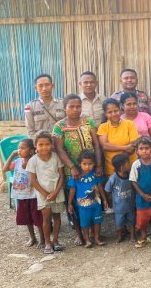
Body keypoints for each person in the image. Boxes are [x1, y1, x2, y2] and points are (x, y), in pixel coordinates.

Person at [53, 94, 103, 245]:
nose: (75, 110)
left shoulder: (88, 121)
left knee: (93, 199)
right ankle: (79, 233)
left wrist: (99, 165)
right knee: (74, 203)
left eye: (78, 106)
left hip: (91, 169)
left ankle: (95, 233)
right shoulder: (59, 126)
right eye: (71, 107)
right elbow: (59, 149)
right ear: (65, 108)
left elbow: (96, 145)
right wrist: (73, 167)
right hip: (72, 172)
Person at [26, 131, 65, 254]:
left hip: (57, 192)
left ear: (52, 145)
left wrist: (56, 192)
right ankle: (48, 242)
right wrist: (45, 194)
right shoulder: (33, 161)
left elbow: (62, 176)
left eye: (47, 144)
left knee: (57, 217)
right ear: (35, 146)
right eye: (41, 145)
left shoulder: (56, 157)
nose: (44, 147)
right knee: (46, 218)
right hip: (43, 195)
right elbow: (33, 180)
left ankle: (56, 241)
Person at [3, 137, 44, 247]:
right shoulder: (16, 162)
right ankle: (32, 237)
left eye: (22, 148)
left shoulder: (35, 161)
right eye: (18, 148)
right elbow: (5, 169)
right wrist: (12, 155)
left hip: (33, 195)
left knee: (38, 218)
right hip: (21, 196)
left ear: (31, 151)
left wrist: (29, 165)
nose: (19, 150)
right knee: (27, 219)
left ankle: (42, 239)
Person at [67, 150, 109, 248]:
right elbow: (72, 190)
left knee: (97, 221)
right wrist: (69, 203)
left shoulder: (96, 174)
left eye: (90, 164)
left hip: (96, 204)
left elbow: (100, 187)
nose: (87, 166)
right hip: (83, 206)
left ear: (94, 163)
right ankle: (87, 240)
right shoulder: (76, 176)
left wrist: (105, 199)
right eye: (84, 164)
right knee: (85, 223)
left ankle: (97, 238)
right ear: (79, 164)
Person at [97, 98, 139, 176]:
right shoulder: (103, 127)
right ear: (105, 114)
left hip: (131, 167)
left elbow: (133, 145)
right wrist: (125, 148)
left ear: (120, 110)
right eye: (110, 112)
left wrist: (122, 160)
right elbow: (105, 146)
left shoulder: (129, 124)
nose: (113, 114)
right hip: (112, 169)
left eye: (116, 111)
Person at [104, 153, 136, 243]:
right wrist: (110, 201)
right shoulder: (113, 178)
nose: (129, 164)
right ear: (121, 167)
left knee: (132, 221)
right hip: (119, 207)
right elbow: (107, 190)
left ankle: (132, 236)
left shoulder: (130, 175)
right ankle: (119, 236)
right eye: (127, 163)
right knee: (119, 223)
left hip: (130, 204)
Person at [25, 74, 65, 139]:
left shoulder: (63, 103)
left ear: (52, 86)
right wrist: (37, 144)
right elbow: (30, 130)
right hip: (42, 145)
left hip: (60, 142)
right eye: (40, 86)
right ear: (36, 88)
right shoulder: (29, 107)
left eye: (47, 85)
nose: (44, 88)